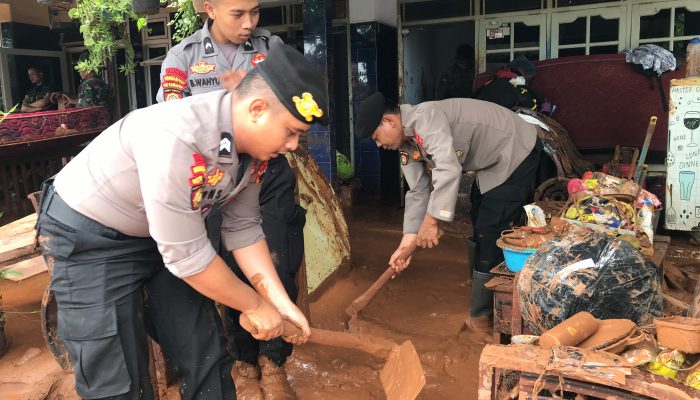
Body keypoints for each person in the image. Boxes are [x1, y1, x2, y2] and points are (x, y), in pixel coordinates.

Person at [36, 43, 326, 400]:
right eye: (292, 131)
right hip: (92, 237)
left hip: (165, 237)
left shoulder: (253, 154)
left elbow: (244, 229)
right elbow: (188, 259)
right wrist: (253, 305)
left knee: (203, 350)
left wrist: (281, 304)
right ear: (257, 109)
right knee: (115, 380)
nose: (294, 145)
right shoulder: (180, 137)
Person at [156, 1, 305, 398]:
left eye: (255, 12)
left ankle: (274, 363)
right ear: (209, 7)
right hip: (210, 180)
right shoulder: (182, 58)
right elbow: (172, 123)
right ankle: (241, 360)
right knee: (223, 267)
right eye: (238, 13)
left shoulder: (271, 49)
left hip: (268, 173)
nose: (249, 23)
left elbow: (300, 103)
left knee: (278, 260)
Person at [354, 92, 542, 328]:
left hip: (515, 147)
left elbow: (448, 167)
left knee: (491, 227)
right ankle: (478, 283)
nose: (379, 145)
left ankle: (482, 316)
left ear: (389, 122)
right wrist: (407, 242)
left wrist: (432, 222)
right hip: (490, 161)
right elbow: (418, 190)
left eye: (376, 137)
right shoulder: (406, 144)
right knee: (479, 216)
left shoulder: (426, 119)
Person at [474, 55, 545, 112]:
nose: (530, 83)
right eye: (531, 80)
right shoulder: (517, 82)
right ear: (526, 75)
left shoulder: (488, 82)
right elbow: (532, 104)